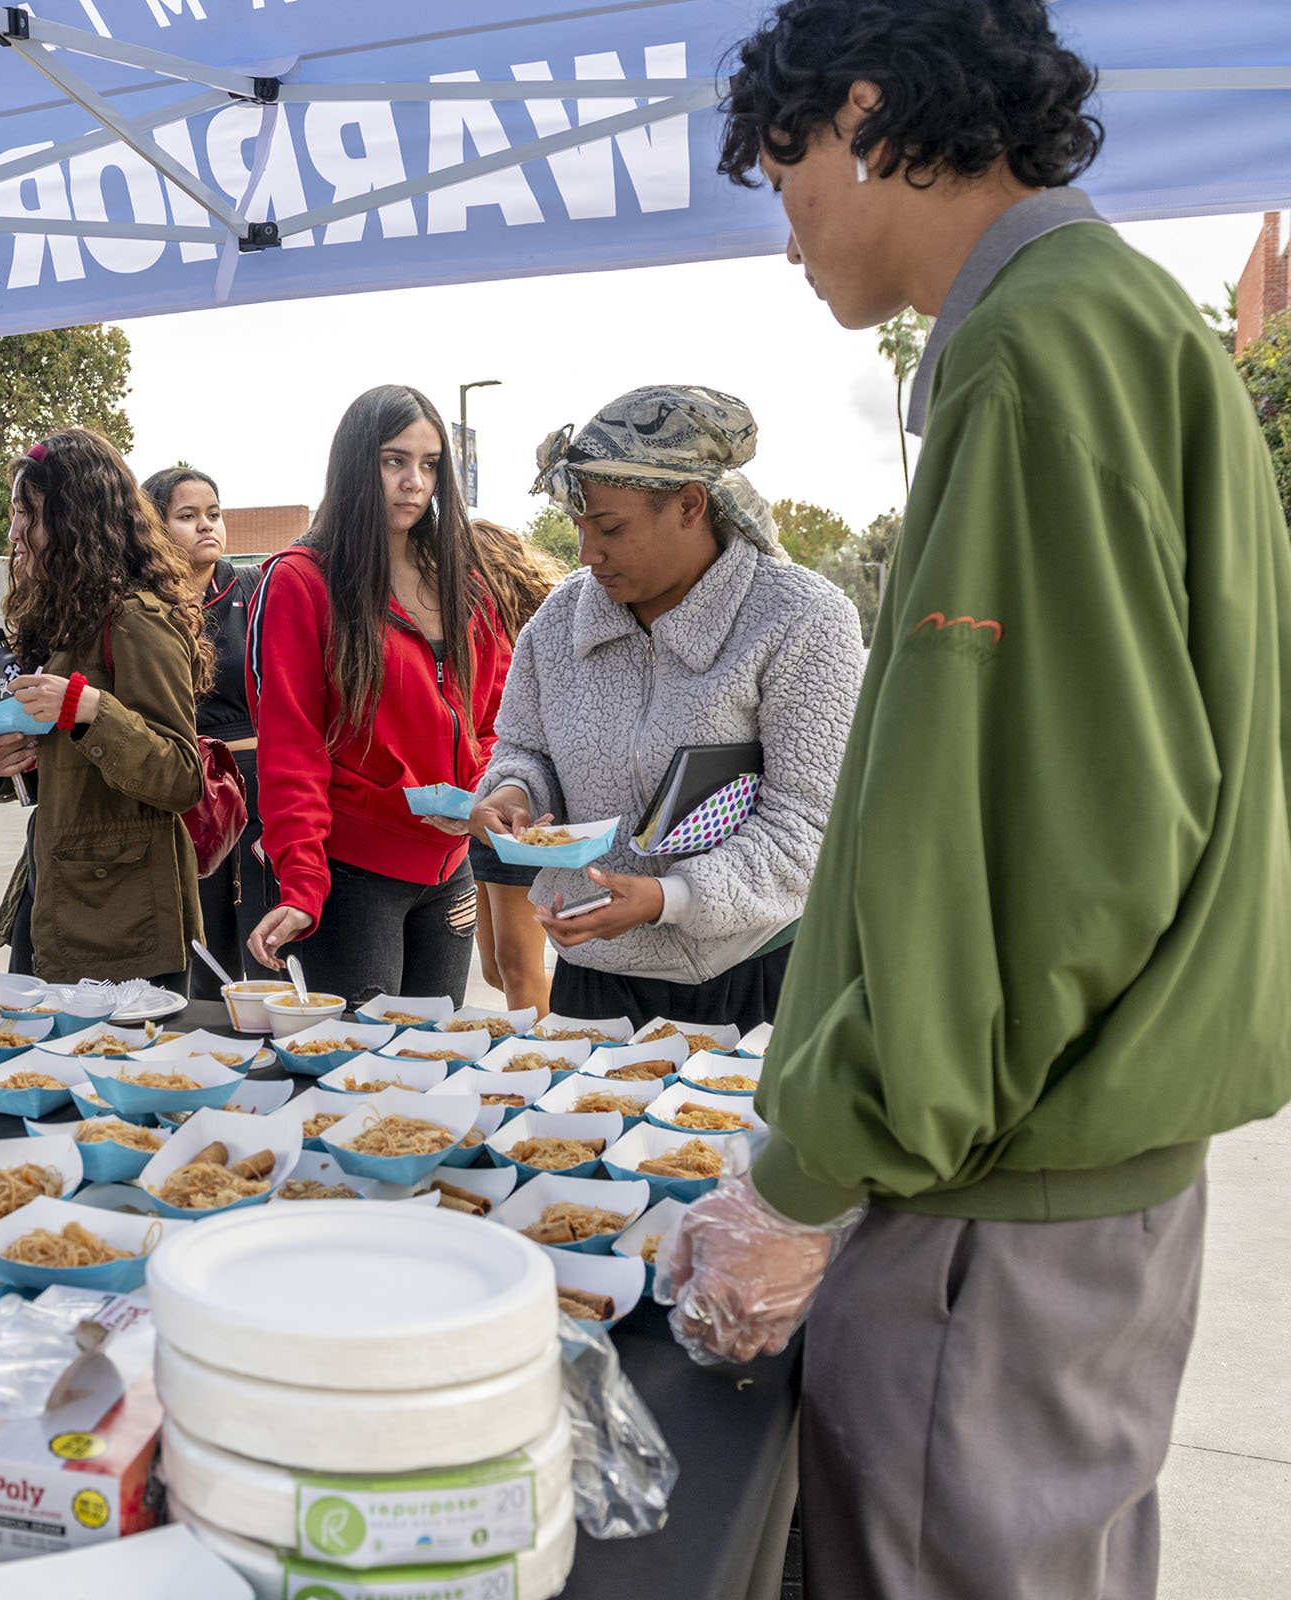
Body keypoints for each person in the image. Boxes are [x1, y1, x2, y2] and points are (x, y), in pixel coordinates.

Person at [669, 7, 1291, 1600]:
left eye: (784, 165)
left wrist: (808, 1173)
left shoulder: (1028, 352)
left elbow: (1029, 867)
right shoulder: (1132, 321)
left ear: (866, 116)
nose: (786, 225)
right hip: (1095, 1166)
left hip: (993, 1200)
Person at [474, 387, 863, 1032]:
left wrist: (668, 898)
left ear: (690, 505)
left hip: (753, 973)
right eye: (580, 527)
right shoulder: (558, 623)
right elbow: (523, 748)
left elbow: (809, 827)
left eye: (612, 529)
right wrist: (514, 791)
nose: (587, 554)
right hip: (595, 978)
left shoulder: (800, 619)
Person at [243, 385, 507, 1004]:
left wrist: (490, 793)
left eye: (430, 464)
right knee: (359, 1082)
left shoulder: (463, 578)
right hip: (351, 876)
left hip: (452, 866)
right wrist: (302, 882)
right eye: (395, 460)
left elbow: (494, 715)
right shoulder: (300, 581)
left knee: (434, 1067)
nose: (415, 480)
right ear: (357, 463)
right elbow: (291, 748)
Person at [0, 429, 207, 986]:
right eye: (13, 514)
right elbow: (60, 771)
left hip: (126, 928)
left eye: (28, 514)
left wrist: (87, 707)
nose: (14, 534)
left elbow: (181, 776)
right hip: (56, 900)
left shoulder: (138, 620)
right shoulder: (60, 616)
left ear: (77, 519)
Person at [141, 464, 272, 1002]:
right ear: (153, 526)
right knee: (203, 953)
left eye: (214, 515)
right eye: (188, 516)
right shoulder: (140, 605)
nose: (206, 526)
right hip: (185, 787)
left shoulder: (254, 586)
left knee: (267, 947)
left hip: (260, 783)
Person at [464, 519, 567, 1015]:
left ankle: (544, 1062)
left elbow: (505, 734)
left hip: (513, 806)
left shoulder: (510, 642)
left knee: (517, 967)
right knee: (495, 966)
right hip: (483, 804)